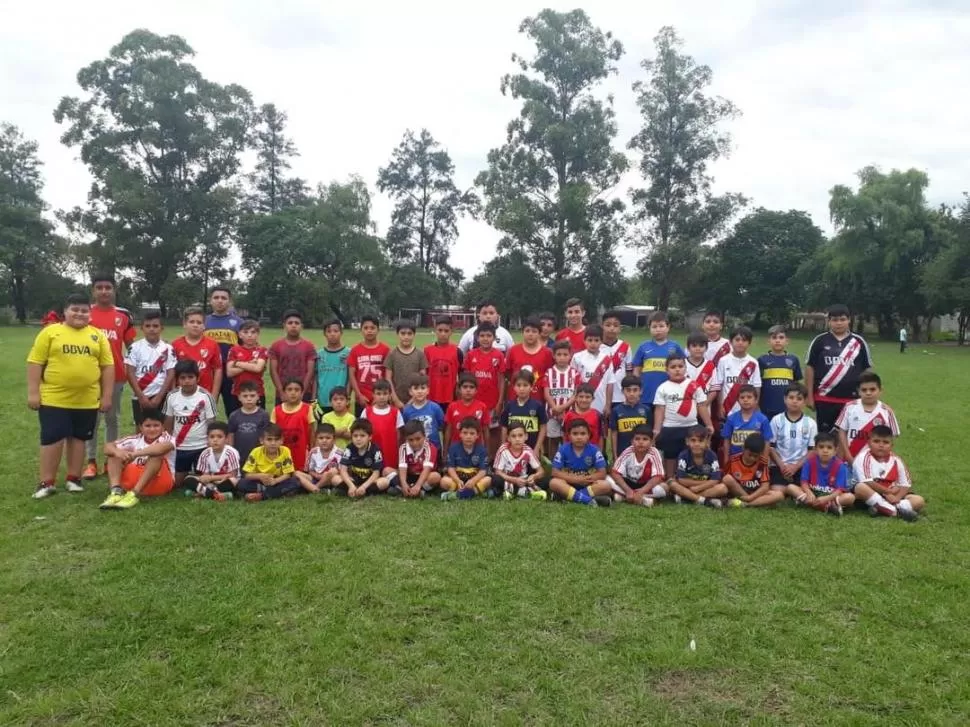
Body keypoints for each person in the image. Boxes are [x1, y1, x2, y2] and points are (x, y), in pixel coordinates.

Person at [27, 294, 114, 499]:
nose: (79, 314)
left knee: (79, 439)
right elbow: (35, 362)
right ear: (65, 312)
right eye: (75, 309)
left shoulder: (97, 336)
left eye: (84, 310)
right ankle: (46, 482)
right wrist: (33, 392)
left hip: (86, 400)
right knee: (52, 438)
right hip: (54, 398)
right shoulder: (50, 332)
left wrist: (107, 396)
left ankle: (74, 478)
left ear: (90, 314)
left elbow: (107, 367)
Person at [84, 273, 135, 479]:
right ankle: (90, 462)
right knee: (91, 420)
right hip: (88, 377)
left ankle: (110, 459)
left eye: (108, 287)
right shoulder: (84, 313)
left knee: (112, 419)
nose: (104, 291)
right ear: (93, 291)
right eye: (100, 287)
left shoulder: (123, 315)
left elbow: (132, 347)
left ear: (114, 290)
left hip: (116, 376)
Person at [805, 304, 873, 432]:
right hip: (824, 399)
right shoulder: (819, 341)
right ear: (829, 321)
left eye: (842, 319)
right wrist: (809, 396)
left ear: (849, 320)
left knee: (849, 437)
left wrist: (866, 395)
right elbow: (810, 368)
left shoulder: (858, 342)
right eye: (835, 320)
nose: (839, 323)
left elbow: (867, 371)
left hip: (852, 401)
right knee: (826, 440)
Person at [98, 408, 176, 509]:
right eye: (148, 426)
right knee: (114, 454)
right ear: (141, 427)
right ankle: (116, 493)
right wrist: (118, 452)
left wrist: (135, 454)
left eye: (156, 425)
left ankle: (133, 494)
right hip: (134, 478)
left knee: (156, 456)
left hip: (159, 482)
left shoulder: (167, 438)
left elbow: (160, 449)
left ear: (162, 427)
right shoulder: (135, 439)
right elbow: (107, 447)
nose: (152, 429)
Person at [653, 353, 714, 478]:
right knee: (670, 456)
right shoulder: (663, 388)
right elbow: (659, 409)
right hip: (670, 428)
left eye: (680, 366)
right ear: (667, 370)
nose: (677, 369)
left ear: (685, 368)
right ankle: (670, 479)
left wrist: (709, 424)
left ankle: (691, 477)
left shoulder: (694, 385)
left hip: (691, 427)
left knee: (692, 454)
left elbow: (702, 406)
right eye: (673, 367)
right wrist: (657, 429)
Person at [162, 360, 217, 490]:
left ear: (197, 378)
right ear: (177, 380)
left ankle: (196, 479)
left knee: (204, 479)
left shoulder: (205, 396)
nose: (187, 381)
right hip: (180, 448)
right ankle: (189, 478)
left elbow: (211, 423)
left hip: (201, 446)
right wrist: (169, 443)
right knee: (176, 484)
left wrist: (210, 444)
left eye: (190, 377)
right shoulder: (171, 396)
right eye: (183, 378)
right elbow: (168, 422)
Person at [851, 425, 922, 521]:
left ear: (892, 445)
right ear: (869, 443)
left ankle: (882, 509)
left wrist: (897, 498)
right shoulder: (863, 457)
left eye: (886, 442)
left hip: (892, 496)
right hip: (871, 494)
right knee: (860, 487)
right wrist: (887, 492)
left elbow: (905, 484)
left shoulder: (896, 460)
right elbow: (868, 482)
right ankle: (896, 512)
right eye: (876, 441)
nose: (881, 445)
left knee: (919, 500)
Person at [835, 371, 899, 463]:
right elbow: (842, 432)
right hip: (850, 459)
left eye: (872, 389)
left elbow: (892, 437)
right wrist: (847, 455)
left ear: (880, 390)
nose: (868, 393)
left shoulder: (886, 412)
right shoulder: (849, 407)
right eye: (864, 390)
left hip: (875, 462)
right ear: (858, 391)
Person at [124, 310, 175, 426]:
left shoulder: (168, 348)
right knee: (141, 429)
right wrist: (141, 396)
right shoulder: (134, 347)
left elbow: (170, 373)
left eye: (155, 326)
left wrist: (159, 396)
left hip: (162, 396)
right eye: (148, 326)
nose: (151, 329)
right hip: (141, 395)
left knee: (163, 429)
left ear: (162, 328)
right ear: (141, 328)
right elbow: (130, 372)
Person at [463, 321, 507, 453]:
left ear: (494, 338)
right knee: (474, 430)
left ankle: (492, 457)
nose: (485, 339)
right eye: (482, 335)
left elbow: (501, 380)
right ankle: (475, 456)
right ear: (477, 337)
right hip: (474, 402)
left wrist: (500, 402)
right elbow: (466, 379)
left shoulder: (498, 355)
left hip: (492, 402)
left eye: (489, 335)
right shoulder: (471, 355)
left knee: (493, 430)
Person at [548, 419, 612, 506]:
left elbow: (602, 473)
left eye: (583, 434)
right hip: (568, 483)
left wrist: (585, 479)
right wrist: (575, 479)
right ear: (569, 436)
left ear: (588, 435)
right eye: (575, 434)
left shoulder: (594, 450)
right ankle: (587, 500)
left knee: (606, 485)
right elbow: (555, 472)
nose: (579, 437)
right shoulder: (563, 449)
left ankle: (570, 497)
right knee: (554, 483)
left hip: (587, 484)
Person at [788, 432, 853, 516]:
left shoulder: (841, 466)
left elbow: (839, 490)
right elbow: (804, 482)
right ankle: (828, 507)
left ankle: (811, 504)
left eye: (829, 448)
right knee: (790, 487)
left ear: (835, 450)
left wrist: (827, 498)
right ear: (815, 449)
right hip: (813, 494)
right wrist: (808, 492)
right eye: (821, 447)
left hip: (830, 496)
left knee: (850, 497)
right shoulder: (809, 462)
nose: (825, 450)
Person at [768, 383, 818, 492]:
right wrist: (782, 466)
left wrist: (795, 467)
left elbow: (812, 451)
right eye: (791, 398)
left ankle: (794, 490)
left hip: (800, 466)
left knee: (807, 487)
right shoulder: (776, 420)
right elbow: (770, 448)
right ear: (785, 399)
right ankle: (792, 491)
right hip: (780, 466)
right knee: (777, 489)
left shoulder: (810, 423)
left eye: (799, 399)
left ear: (804, 402)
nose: (794, 401)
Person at [204, 286, 244, 415]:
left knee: (233, 409)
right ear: (210, 300)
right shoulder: (203, 321)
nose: (220, 301)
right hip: (208, 371)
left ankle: (233, 434)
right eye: (216, 297)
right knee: (205, 408)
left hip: (231, 373)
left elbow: (245, 347)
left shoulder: (239, 322)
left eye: (223, 298)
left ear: (229, 301)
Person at [632, 311, 685, 411]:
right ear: (649, 328)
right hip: (647, 395)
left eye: (661, 326)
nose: (658, 330)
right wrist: (637, 389)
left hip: (669, 395)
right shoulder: (643, 346)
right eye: (654, 327)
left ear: (668, 327)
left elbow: (683, 368)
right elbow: (636, 371)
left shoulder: (675, 346)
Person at [237, 424, 302, 502]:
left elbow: (288, 474)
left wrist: (275, 481)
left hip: (278, 480)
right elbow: (247, 475)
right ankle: (275, 492)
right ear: (262, 440)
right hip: (260, 481)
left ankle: (262, 496)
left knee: (294, 482)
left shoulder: (285, 451)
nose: (273, 443)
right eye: (269, 439)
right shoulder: (255, 452)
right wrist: (260, 476)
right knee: (241, 483)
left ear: (282, 440)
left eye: (276, 439)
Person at [710, 325, 762, 422]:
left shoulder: (753, 362)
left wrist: (755, 405)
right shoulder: (723, 361)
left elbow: (757, 386)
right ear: (730, 342)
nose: (740, 343)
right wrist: (720, 405)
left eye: (744, 340)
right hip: (727, 408)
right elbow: (719, 385)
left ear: (749, 343)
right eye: (737, 340)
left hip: (747, 408)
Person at [181, 421, 240, 501]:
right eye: (212, 437)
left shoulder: (231, 452)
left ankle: (202, 494)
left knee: (233, 481)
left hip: (225, 481)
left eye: (219, 437)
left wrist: (212, 478)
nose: (215, 440)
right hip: (211, 483)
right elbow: (206, 476)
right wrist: (206, 479)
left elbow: (233, 475)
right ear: (207, 439)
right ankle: (215, 494)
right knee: (188, 479)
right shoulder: (205, 454)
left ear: (226, 439)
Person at [670, 426, 727, 507]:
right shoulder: (683, 455)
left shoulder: (712, 455)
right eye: (693, 440)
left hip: (703, 488)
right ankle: (703, 500)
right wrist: (702, 484)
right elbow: (681, 479)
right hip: (688, 487)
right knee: (672, 483)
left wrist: (698, 488)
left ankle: (687, 498)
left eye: (700, 441)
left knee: (723, 488)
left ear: (707, 442)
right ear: (687, 441)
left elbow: (716, 479)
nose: (697, 444)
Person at [609, 425, 666, 507]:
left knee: (664, 488)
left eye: (645, 439)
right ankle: (643, 499)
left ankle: (625, 497)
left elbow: (658, 476)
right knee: (608, 480)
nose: (641, 442)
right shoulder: (628, 451)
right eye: (637, 439)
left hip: (646, 485)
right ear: (632, 441)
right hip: (629, 484)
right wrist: (628, 490)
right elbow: (615, 472)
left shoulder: (654, 453)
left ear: (652, 442)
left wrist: (641, 491)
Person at [269, 310, 317, 404]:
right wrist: (281, 391)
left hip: (304, 393)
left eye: (297, 323)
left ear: (301, 326)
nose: (293, 325)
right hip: (283, 393)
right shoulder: (276, 346)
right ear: (284, 326)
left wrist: (302, 392)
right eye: (290, 323)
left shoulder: (309, 346)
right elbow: (273, 371)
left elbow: (310, 371)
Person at [172, 307, 222, 397]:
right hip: (181, 394)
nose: (195, 325)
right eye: (192, 322)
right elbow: (171, 371)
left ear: (204, 325)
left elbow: (218, 369)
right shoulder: (176, 344)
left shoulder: (212, 344)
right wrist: (173, 392)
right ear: (184, 324)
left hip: (205, 394)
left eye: (199, 322)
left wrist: (214, 394)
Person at [723, 433, 784, 508]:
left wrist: (750, 498)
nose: (752, 458)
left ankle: (746, 504)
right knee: (727, 478)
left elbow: (765, 487)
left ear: (761, 454)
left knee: (779, 495)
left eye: (755, 456)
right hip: (739, 492)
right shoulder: (733, 460)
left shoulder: (762, 463)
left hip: (755, 494)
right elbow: (725, 480)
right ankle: (755, 503)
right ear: (743, 448)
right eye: (750, 455)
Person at [338, 419, 394, 498]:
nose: (358, 439)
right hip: (354, 481)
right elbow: (343, 470)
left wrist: (364, 486)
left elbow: (376, 473)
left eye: (362, 436)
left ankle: (363, 491)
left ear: (370, 437)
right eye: (355, 436)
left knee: (384, 482)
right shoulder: (349, 448)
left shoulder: (375, 450)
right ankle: (354, 489)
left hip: (370, 482)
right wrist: (350, 485)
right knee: (335, 479)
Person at [348, 314, 391, 417]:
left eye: (372, 328)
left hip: (381, 396)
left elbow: (388, 375)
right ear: (361, 330)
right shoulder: (355, 350)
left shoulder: (385, 349)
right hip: (362, 397)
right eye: (366, 328)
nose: (369, 331)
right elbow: (352, 375)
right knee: (362, 429)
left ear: (378, 329)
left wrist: (383, 395)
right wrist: (358, 395)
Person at [757, 325, 803, 421]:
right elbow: (757, 385)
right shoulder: (762, 360)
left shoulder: (793, 360)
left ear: (787, 341)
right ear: (768, 341)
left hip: (787, 407)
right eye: (774, 338)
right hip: (766, 407)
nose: (777, 340)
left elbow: (796, 385)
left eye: (781, 337)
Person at [440, 418, 493, 499]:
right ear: (460, 434)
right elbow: (451, 468)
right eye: (465, 433)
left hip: (474, 481)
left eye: (472, 433)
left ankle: (457, 495)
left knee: (488, 480)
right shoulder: (453, 448)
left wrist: (473, 481)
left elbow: (483, 471)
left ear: (477, 435)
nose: (468, 436)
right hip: (458, 480)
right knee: (443, 481)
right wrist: (457, 481)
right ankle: (475, 493)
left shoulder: (482, 450)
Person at [570, 324, 615, 419]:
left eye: (596, 340)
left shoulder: (606, 359)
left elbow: (610, 384)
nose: (593, 343)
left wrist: (608, 405)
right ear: (584, 341)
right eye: (590, 340)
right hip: (580, 402)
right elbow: (571, 382)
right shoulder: (577, 357)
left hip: (600, 403)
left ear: (601, 342)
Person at [544, 340, 580, 458]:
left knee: (568, 440)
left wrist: (562, 408)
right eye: (559, 354)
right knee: (553, 440)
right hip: (552, 413)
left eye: (565, 354)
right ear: (554, 356)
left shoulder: (575, 373)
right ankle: (554, 464)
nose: (562, 357)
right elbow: (546, 392)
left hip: (569, 413)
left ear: (570, 356)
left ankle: (568, 462)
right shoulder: (549, 373)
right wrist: (555, 408)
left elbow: (575, 394)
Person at [505, 317, 554, 403]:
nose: (530, 334)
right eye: (527, 331)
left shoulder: (547, 353)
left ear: (539, 333)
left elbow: (549, 376)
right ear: (522, 333)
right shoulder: (513, 351)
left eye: (534, 331)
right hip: (515, 399)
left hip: (538, 399)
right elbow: (508, 374)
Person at [492, 422, 546, 500]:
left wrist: (534, 476)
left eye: (520, 435)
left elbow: (541, 471)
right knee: (495, 479)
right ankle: (527, 492)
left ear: (526, 436)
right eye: (513, 436)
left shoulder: (528, 450)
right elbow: (498, 472)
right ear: (508, 438)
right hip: (507, 480)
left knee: (546, 480)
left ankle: (512, 492)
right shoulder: (503, 449)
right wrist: (514, 480)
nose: (517, 439)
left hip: (523, 481)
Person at [271, 378, 315, 472]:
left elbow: (311, 432)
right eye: (289, 389)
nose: (293, 392)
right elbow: (272, 433)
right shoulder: (276, 410)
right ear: (284, 392)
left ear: (302, 392)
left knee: (300, 475)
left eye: (297, 390)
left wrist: (312, 449)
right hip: (281, 451)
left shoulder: (307, 408)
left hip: (301, 451)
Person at [720, 384, 773, 462]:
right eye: (742, 397)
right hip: (735, 461)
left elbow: (767, 442)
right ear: (738, 400)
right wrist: (726, 460)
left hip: (756, 461)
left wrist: (764, 461)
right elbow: (727, 441)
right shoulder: (731, 419)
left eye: (749, 397)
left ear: (756, 399)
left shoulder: (763, 419)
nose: (745, 400)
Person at [361, 379, 404, 470]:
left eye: (385, 394)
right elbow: (361, 432)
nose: (382, 397)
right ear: (373, 395)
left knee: (389, 473)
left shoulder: (395, 412)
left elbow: (399, 435)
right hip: (371, 452)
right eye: (378, 394)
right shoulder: (367, 412)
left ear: (390, 395)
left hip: (390, 452)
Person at [500, 370, 548, 453]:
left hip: (532, 450)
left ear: (532, 387)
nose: (522, 388)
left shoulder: (538, 406)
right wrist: (504, 446)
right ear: (514, 387)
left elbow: (543, 427)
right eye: (518, 385)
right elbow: (504, 427)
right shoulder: (509, 406)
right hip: (513, 451)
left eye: (525, 385)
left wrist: (537, 448)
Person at [385, 319, 428, 408]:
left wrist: (412, 400)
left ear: (414, 335)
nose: (406, 336)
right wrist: (395, 399)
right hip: (396, 400)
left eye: (409, 333)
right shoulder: (392, 354)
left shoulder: (420, 354)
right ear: (398, 334)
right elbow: (388, 378)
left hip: (416, 400)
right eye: (403, 333)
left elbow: (423, 379)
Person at [227, 319, 268, 408]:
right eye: (246, 332)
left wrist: (237, 363)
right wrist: (250, 363)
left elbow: (257, 369)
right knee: (237, 419)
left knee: (257, 420)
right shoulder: (234, 350)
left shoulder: (262, 350)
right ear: (240, 335)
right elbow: (229, 372)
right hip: (238, 393)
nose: (249, 335)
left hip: (257, 393)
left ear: (257, 334)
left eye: (253, 332)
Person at [424, 316, 462, 411]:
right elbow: (423, 375)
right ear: (435, 330)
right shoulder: (427, 351)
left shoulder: (457, 351)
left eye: (446, 331)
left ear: (451, 331)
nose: (443, 334)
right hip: (431, 396)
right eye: (440, 330)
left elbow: (462, 375)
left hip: (450, 397)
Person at [395, 420, 441, 498]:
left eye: (418, 439)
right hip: (409, 476)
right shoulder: (403, 447)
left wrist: (418, 486)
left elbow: (427, 469)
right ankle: (405, 488)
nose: (415, 443)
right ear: (406, 439)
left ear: (424, 436)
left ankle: (420, 490)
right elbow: (402, 468)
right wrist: (403, 483)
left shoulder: (430, 448)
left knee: (436, 476)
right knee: (387, 470)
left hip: (424, 477)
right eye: (411, 440)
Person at [227, 381, 270, 464]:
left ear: (258, 396)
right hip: (239, 455)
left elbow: (266, 436)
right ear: (239, 397)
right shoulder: (234, 415)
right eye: (245, 396)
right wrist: (232, 453)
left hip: (258, 456)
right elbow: (231, 435)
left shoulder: (264, 415)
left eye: (252, 396)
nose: (249, 399)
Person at [314, 318, 350, 418]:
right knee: (324, 431)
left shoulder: (348, 353)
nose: (332, 334)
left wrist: (348, 396)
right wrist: (314, 400)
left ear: (341, 332)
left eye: (336, 331)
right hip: (323, 400)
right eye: (329, 331)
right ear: (324, 334)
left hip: (341, 400)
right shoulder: (319, 355)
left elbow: (351, 378)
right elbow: (316, 378)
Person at [610, 376, 650, 460]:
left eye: (635, 390)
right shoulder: (616, 410)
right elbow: (614, 434)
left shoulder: (646, 410)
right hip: (622, 453)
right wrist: (615, 455)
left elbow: (650, 434)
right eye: (628, 390)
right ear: (622, 391)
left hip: (642, 455)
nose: (631, 393)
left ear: (641, 391)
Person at [402, 374, 446, 451]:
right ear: (410, 391)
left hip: (435, 448)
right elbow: (405, 431)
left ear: (428, 390)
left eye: (423, 388)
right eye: (416, 388)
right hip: (415, 449)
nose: (420, 391)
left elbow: (442, 427)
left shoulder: (435, 408)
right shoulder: (407, 411)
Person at [444, 373, 491, 446]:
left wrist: (487, 451)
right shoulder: (452, 407)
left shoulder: (482, 407)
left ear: (476, 390)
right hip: (456, 449)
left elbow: (486, 431)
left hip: (476, 449)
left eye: (471, 387)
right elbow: (448, 431)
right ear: (459, 389)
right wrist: (445, 452)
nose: (468, 390)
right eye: (465, 387)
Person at [296, 424, 343, 494]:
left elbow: (342, 471)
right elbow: (309, 470)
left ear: (334, 439)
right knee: (296, 473)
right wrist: (317, 475)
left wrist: (327, 475)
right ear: (316, 439)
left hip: (330, 479)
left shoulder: (339, 453)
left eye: (328, 438)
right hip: (315, 478)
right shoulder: (313, 452)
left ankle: (314, 488)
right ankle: (319, 490)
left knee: (333, 472)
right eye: (321, 438)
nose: (324, 441)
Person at [601, 310, 633, 407]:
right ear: (602, 326)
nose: (612, 328)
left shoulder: (625, 347)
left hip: (620, 396)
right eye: (608, 325)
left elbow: (629, 372)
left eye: (615, 325)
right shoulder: (596, 346)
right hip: (600, 395)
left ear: (620, 328)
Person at [321, 386, 356, 450]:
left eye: (341, 399)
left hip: (346, 452)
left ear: (347, 402)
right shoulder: (326, 417)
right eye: (335, 399)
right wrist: (343, 430)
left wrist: (334, 432)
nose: (338, 402)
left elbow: (350, 436)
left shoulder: (351, 418)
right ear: (330, 402)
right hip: (330, 452)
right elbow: (326, 434)